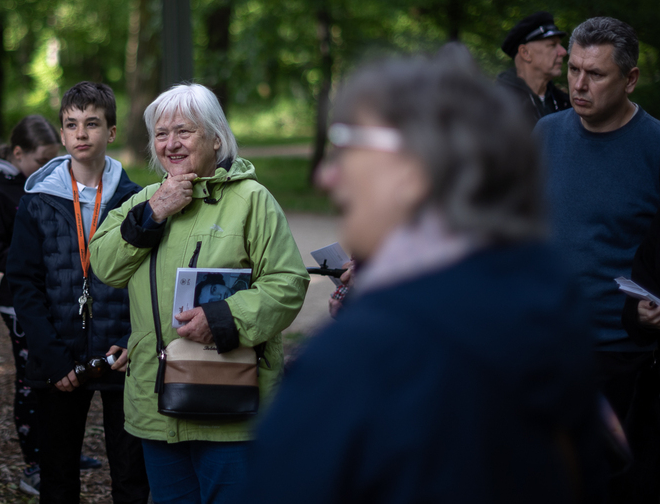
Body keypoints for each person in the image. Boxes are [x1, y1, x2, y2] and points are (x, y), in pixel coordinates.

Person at [241, 57, 606, 504]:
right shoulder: (552, 304)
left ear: (412, 172)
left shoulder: (359, 358)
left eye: (346, 146)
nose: (325, 176)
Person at [89, 83, 309, 504]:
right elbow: (105, 266)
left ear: (216, 138)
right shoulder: (144, 201)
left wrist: (223, 318)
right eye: (161, 134)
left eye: (184, 131)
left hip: (232, 405)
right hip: (155, 405)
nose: (171, 143)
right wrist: (154, 213)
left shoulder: (252, 200)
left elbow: (287, 283)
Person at [3, 82, 150, 504]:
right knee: (58, 478)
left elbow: (147, 280)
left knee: (130, 477)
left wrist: (133, 341)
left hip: (120, 354)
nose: (81, 133)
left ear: (112, 132)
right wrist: (52, 357)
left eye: (92, 123)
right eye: (71, 124)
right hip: (59, 356)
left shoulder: (136, 200)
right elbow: (24, 284)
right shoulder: (37, 200)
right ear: (62, 134)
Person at [534, 16, 660, 503]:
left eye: (596, 74)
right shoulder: (545, 133)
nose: (579, 85)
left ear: (630, 79)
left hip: (620, 359)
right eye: (574, 70)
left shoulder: (654, 147)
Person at [0, 114, 61, 495]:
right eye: (42, 160)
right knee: (30, 382)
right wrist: (38, 258)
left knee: (58, 375)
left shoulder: (40, 183)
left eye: (54, 160)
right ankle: (34, 466)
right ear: (18, 153)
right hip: (18, 304)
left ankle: (59, 453)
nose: (49, 167)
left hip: (51, 298)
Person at [496, 11, 570, 128]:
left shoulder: (564, 103)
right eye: (552, 45)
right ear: (525, 53)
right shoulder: (499, 104)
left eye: (560, 45)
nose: (563, 52)